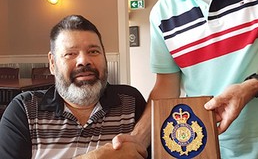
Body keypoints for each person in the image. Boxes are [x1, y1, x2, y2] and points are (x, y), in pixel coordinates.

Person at [113, 0, 258, 158]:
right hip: (208, 152)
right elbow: (166, 86)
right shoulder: (161, 13)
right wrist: (137, 139)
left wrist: (252, 86)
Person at [0, 15, 148, 159]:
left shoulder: (131, 102)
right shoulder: (24, 110)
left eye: (93, 51)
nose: (84, 61)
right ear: (52, 63)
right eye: (70, 53)